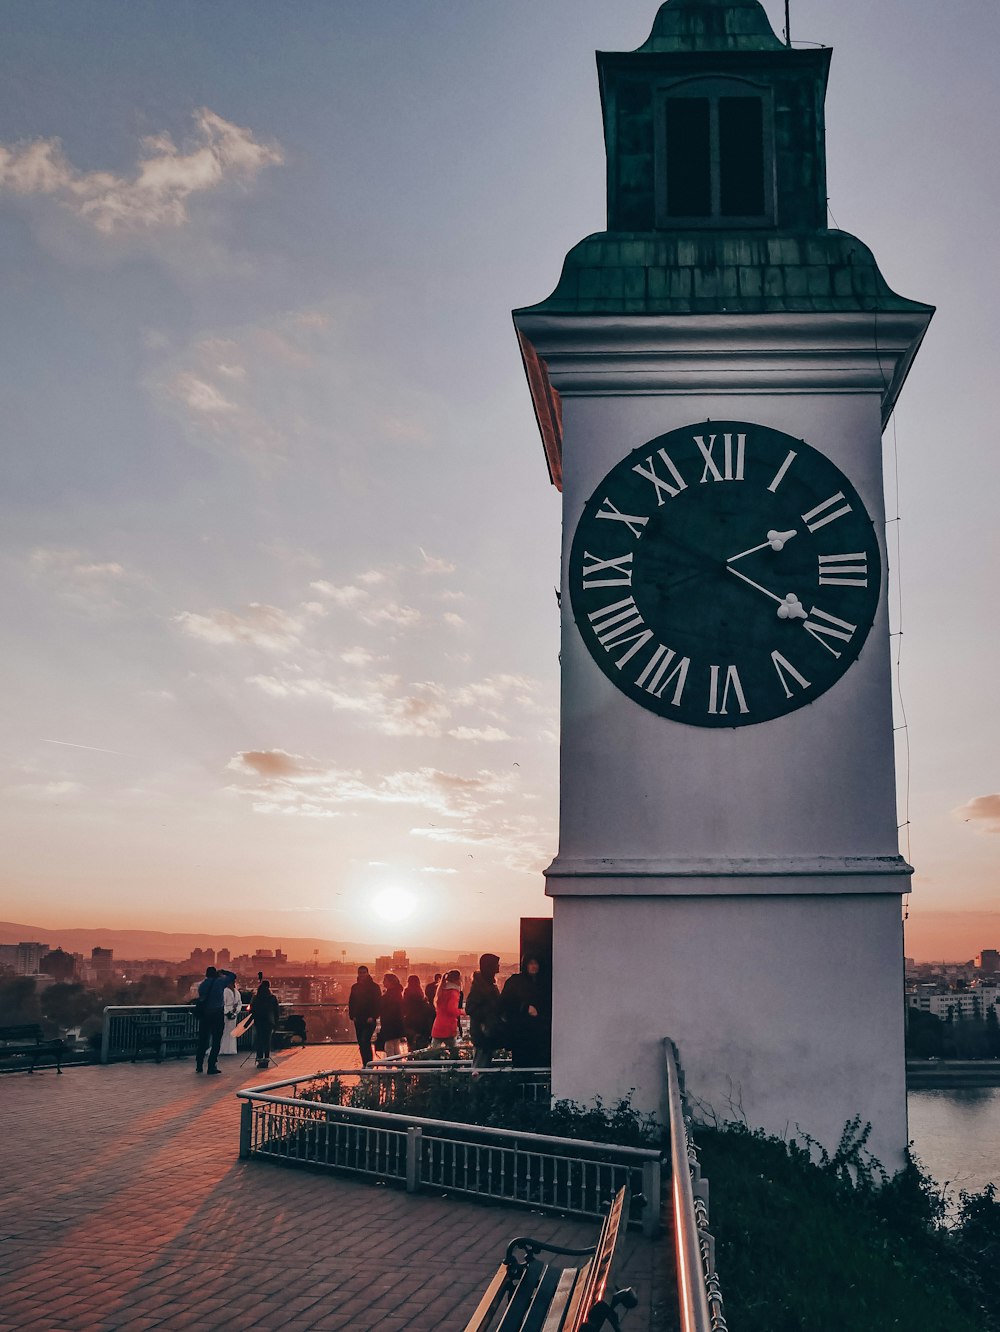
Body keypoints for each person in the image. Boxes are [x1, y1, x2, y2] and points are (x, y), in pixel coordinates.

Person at [500, 956, 551, 1068]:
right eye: (530, 963)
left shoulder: (542, 983)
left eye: (536, 963)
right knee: (522, 1064)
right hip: (521, 1033)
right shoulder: (515, 982)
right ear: (525, 965)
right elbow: (505, 1003)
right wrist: (525, 1008)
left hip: (538, 1034)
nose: (533, 966)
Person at [194, 965, 237, 1075]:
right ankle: (211, 1065)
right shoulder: (220, 982)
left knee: (203, 1039)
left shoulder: (202, 985)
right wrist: (223, 972)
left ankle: (199, 1064)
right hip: (217, 1013)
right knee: (216, 1040)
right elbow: (233, 976)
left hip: (205, 1014)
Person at [466, 953, 503, 1069]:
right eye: (496, 964)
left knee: (482, 1065)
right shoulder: (481, 986)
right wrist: (490, 1013)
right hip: (483, 1034)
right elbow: (470, 1008)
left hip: (486, 1032)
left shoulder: (485, 984)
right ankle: (477, 1086)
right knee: (480, 1067)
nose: (499, 967)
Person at [348, 965, 381, 1067]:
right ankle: (366, 1063)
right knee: (361, 1043)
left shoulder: (374, 987)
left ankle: (369, 1063)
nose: (362, 975)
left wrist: (373, 1016)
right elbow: (351, 1002)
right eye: (360, 973)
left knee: (364, 1040)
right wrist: (353, 1015)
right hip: (358, 1019)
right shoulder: (355, 987)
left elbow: (377, 1003)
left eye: (363, 972)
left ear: (367, 973)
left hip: (369, 1020)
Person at [249, 979, 281, 1069]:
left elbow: (251, 1010)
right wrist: (276, 1021)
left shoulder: (256, 997)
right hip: (269, 1021)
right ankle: (266, 1059)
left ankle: (259, 1059)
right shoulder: (272, 998)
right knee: (267, 1040)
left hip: (258, 1021)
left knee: (259, 1039)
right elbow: (276, 1011)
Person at [429, 969, 462, 1054]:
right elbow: (451, 1010)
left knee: (433, 1052)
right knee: (454, 1053)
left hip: (438, 1026)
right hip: (449, 1027)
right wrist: (463, 1012)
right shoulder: (453, 992)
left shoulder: (441, 990)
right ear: (457, 980)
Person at [377, 973, 407, 1058]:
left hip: (389, 1024)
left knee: (389, 1047)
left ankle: (389, 1067)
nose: (383, 982)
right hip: (397, 1023)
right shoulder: (397, 993)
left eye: (385, 980)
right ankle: (399, 1066)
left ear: (390, 982)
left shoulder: (389, 995)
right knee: (396, 1046)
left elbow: (387, 1009)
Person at [402, 975, 433, 1051]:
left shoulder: (406, 993)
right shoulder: (422, 997)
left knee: (411, 1047)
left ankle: (411, 1061)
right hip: (422, 1026)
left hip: (410, 1024)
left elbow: (403, 1009)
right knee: (422, 1049)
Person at [219, 976, 242, 1056]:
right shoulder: (225, 991)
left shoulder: (236, 992)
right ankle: (224, 1049)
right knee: (225, 1031)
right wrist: (227, 1012)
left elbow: (239, 1003)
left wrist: (236, 1011)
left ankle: (231, 1049)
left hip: (234, 1014)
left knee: (232, 1032)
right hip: (226, 1014)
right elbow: (222, 1004)